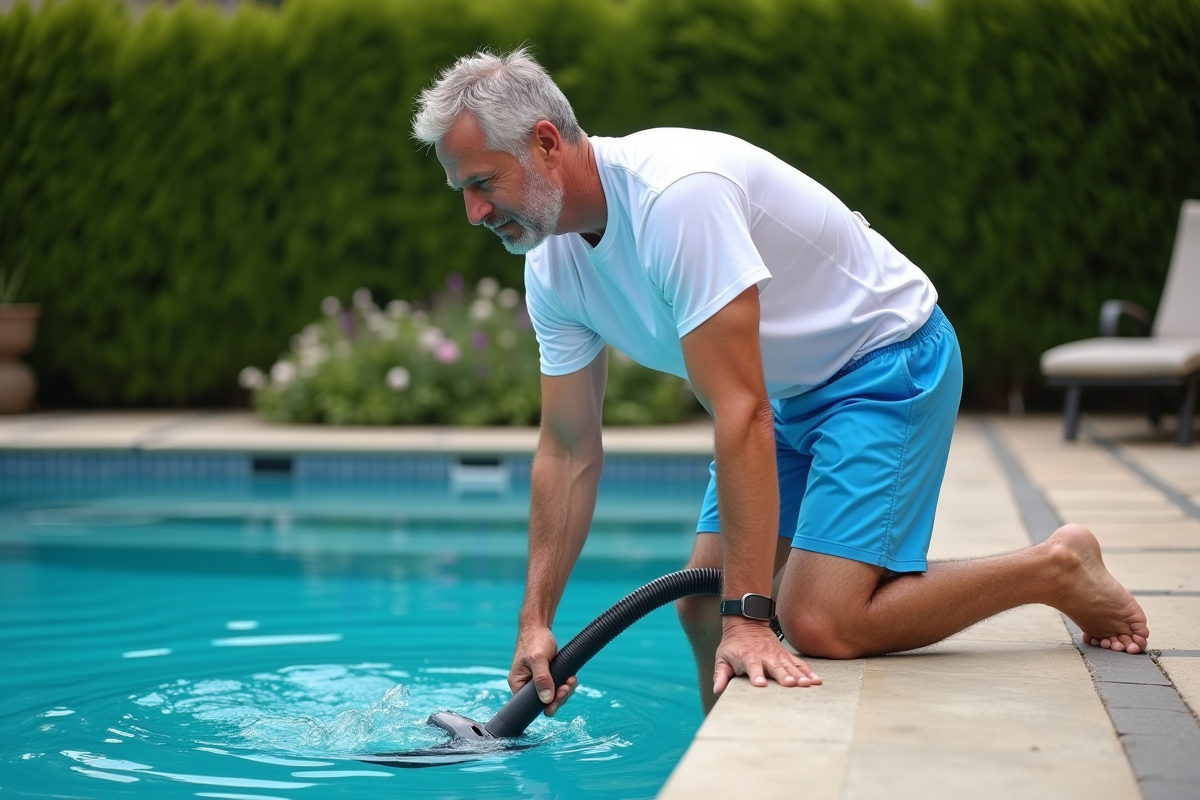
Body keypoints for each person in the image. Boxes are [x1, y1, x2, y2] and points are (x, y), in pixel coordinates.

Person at [411, 48, 1150, 716]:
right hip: (792, 393)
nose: (474, 212)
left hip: (884, 361)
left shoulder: (676, 200)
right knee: (702, 607)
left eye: (482, 183)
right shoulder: (552, 264)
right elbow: (568, 445)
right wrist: (536, 620)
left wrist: (752, 617)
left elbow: (740, 411)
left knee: (819, 621)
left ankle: (1054, 568)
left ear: (544, 142)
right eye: (462, 191)